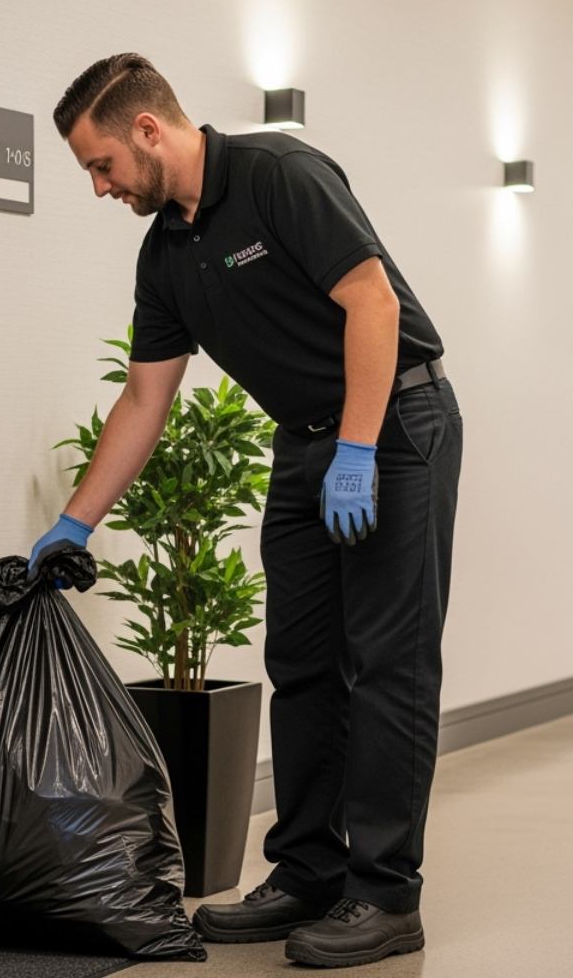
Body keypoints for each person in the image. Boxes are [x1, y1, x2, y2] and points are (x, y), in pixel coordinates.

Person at [33, 53, 462, 969]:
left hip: (394, 422)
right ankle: (308, 871)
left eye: (101, 165)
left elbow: (372, 302)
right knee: (302, 662)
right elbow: (143, 401)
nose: (101, 187)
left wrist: (357, 448)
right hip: (307, 443)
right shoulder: (166, 254)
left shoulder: (280, 177)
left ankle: (386, 897)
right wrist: (76, 523)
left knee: (387, 661)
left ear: (149, 130)